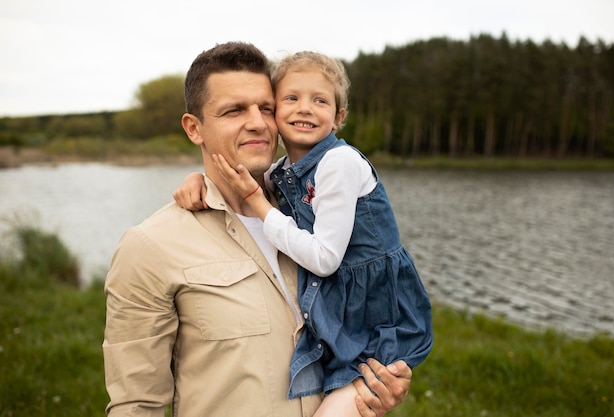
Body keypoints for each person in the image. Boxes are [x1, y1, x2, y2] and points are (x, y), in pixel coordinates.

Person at [103, 42, 412, 417]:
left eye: (266, 108)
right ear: (194, 128)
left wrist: (374, 391)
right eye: (234, 110)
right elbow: (135, 406)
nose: (258, 122)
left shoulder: (312, 215)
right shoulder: (150, 246)